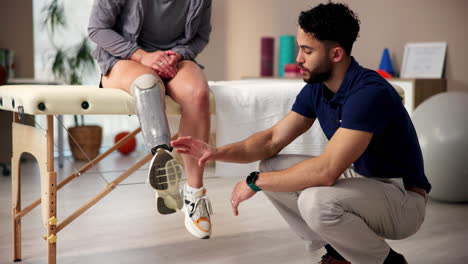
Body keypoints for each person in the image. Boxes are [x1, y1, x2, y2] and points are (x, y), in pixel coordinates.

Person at [171, 2, 430, 263]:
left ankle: (387, 262)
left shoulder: (368, 93)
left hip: (402, 200)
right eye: (299, 48)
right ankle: (339, 252)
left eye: (307, 51)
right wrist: (215, 152)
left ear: (336, 54)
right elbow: (272, 140)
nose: (298, 59)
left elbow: (326, 171)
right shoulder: (319, 88)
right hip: (364, 181)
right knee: (272, 165)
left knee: (316, 201)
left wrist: (254, 182)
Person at [88, 0, 213, 239]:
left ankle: (195, 196)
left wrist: (177, 55)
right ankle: (162, 158)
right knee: (148, 84)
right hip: (124, 59)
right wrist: (142, 56)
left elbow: (200, 35)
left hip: (174, 61)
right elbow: (97, 29)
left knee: (198, 94)